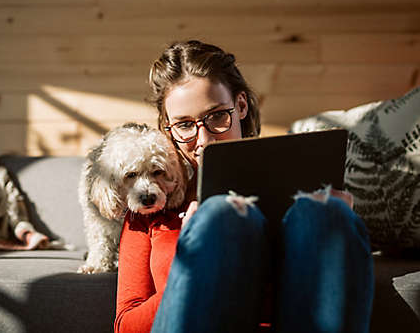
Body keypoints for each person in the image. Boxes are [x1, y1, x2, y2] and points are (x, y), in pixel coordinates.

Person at [114, 40, 374, 333]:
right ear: (168, 128)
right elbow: (125, 325)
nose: (204, 140)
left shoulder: (301, 199)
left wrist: (338, 225)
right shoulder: (149, 207)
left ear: (240, 106)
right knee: (222, 217)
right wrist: (193, 262)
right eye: (185, 125)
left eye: (216, 116)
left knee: (328, 214)